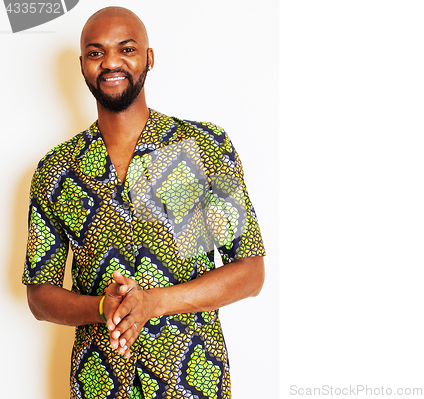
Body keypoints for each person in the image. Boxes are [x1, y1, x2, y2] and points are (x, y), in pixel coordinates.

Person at [22, 6, 265, 399]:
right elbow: (40, 296)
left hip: (191, 380)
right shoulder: (57, 170)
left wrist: (154, 303)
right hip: (98, 382)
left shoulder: (200, 148)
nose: (111, 62)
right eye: (96, 52)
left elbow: (250, 272)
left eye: (127, 48)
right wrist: (103, 308)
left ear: (148, 58)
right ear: (82, 65)